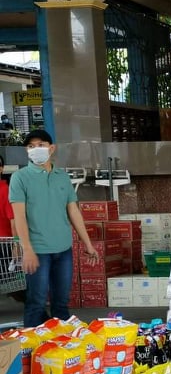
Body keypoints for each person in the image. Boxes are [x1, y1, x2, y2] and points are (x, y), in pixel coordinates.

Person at [10, 129, 99, 327]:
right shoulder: (20, 178)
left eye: (40, 145)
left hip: (63, 250)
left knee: (61, 304)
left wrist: (88, 244)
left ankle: (59, 350)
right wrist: (27, 250)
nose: (35, 150)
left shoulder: (62, 177)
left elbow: (73, 211)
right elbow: (19, 217)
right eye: (31, 146)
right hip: (38, 251)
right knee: (36, 303)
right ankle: (31, 351)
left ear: (51, 148)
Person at [0, 155, 15, 238]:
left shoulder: (6, 191)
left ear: (1, 169)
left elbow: (14, 220)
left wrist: (16, 243)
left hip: (4, 243)